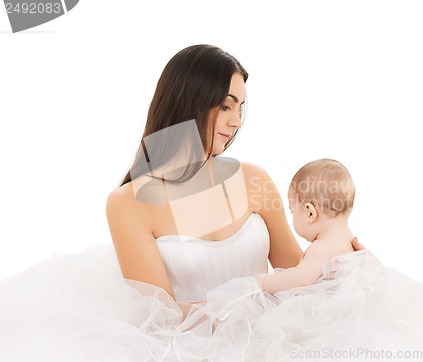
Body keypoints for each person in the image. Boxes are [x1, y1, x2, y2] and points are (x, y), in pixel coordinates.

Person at [0, 44, 363, 361]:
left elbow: (299, 276)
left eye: (241, 109)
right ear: (191, 100)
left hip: (272, 344)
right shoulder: (127, 203)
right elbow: (162, 317)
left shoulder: (254, 179)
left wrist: (343, 255)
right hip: (184, 350)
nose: (236, 122)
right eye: (226, 106)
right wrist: (245, 306)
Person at [205, 158, 423, 361]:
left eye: (292, 212)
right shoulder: (353, 243)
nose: (293, 218)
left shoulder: (320, 248)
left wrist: (265, 281)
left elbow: (301, 278)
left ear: (310, 212)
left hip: (338, 318)